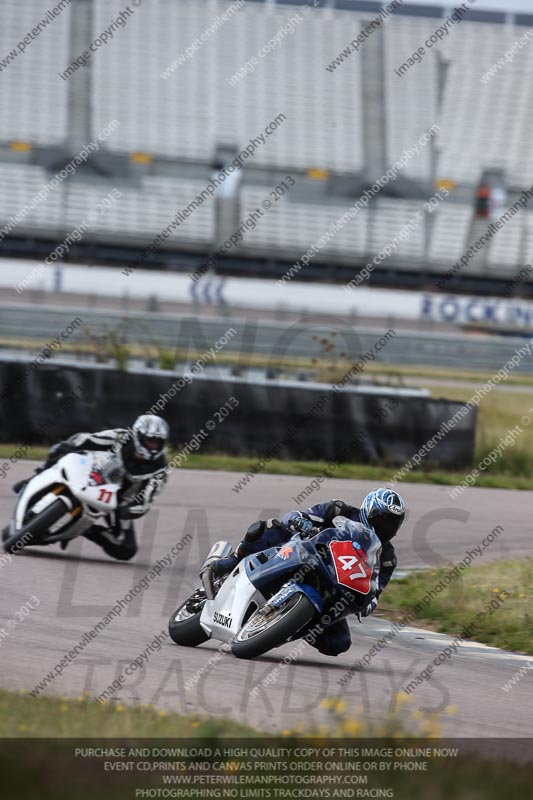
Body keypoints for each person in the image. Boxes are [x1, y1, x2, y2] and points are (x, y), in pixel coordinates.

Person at [206, 488, 405, 656]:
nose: (387, 527)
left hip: (335, 588)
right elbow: (299, 515)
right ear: (369, 511)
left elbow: (376, 590)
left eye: (393, 524)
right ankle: (232, 560)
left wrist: (368, 604)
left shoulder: (387, 557)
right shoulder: (339, 510)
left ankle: (289, 625)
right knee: (273, 527)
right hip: (304, 552)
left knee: (339, 643)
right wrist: (301, 521)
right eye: (383, 521)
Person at [10, 414, 169, 561]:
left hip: (119, 500)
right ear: (138, 436)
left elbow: (145, 503)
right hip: (97, 471)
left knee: (126, 550)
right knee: (60, 449)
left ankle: (85, 529)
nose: (153, 447)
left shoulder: (160, 470)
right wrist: (69, 446)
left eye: (157, 442)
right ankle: (33, 478)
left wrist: (127, 511)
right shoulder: (120, 437)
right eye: (149, 441)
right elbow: (86, 439)